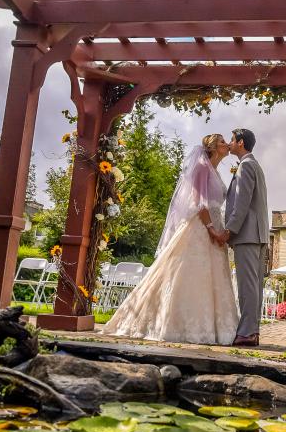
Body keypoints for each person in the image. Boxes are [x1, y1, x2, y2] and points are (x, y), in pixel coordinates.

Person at [104, 133, 239, 344]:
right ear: (213, 147)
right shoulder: (202, 168)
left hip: (215, 227)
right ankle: (178, 326)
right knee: (188, 274)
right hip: (200, 227)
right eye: (222, 141)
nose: (226, 145)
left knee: (211, 278)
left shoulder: (216, 171)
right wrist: (212, 229)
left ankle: (213, 327)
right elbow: (200, 203)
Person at [216, 128, 269, 347]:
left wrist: (229, 230)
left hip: (247, 234)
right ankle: (252, 332)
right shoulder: (253, 164)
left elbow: (242, 202)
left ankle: (247, 333)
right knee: (254, 285)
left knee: (248, 286)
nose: (229, 143)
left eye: (231, 139)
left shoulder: (246, 165)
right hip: (258, 233)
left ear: (240, 142)